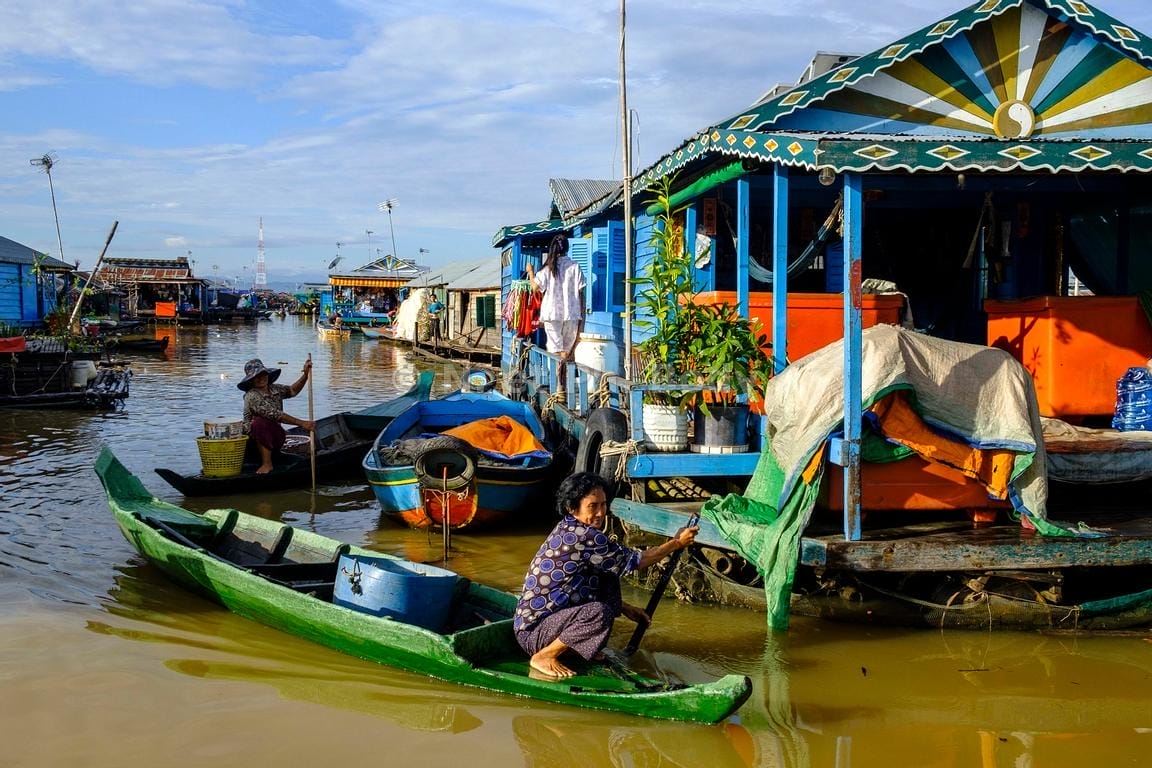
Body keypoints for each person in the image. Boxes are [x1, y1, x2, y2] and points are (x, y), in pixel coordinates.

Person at [513, 472, 698, 679]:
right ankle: (544, 656)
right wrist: (676, 543)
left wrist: (625, 608)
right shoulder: (584, 536)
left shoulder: (571, 527)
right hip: (534, 632)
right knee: (598, 612)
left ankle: (577, 648)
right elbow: (637, 561)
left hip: (548, 621)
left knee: (608, 576)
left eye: (603, 505)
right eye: (592, 506)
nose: (600, 513)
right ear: (572, 508)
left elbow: (606, 570)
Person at [526, 233, 585, 392]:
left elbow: (534, 288)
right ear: (567, 248)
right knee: (566, 350)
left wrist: (530, 272)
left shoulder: (547, 269)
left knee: (555, 350)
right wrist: (582, 319)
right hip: (572, 313)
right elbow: (581, 294)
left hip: (552, 314)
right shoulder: (575, 266)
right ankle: (563, 386)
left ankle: (559, 386)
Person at [238, 358, 315, 474]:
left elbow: (292, 390)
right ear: (251, 380)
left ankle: (274, 455)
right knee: (259, 423)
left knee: (272, 427)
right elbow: (275, 414)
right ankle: (266, 463)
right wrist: (302, 423)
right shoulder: (251, 396)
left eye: (263, 374)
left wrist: (305, 375)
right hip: (253, 441)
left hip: (275, 437)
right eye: (256, 377)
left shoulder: (275, 389)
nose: (261, 378)